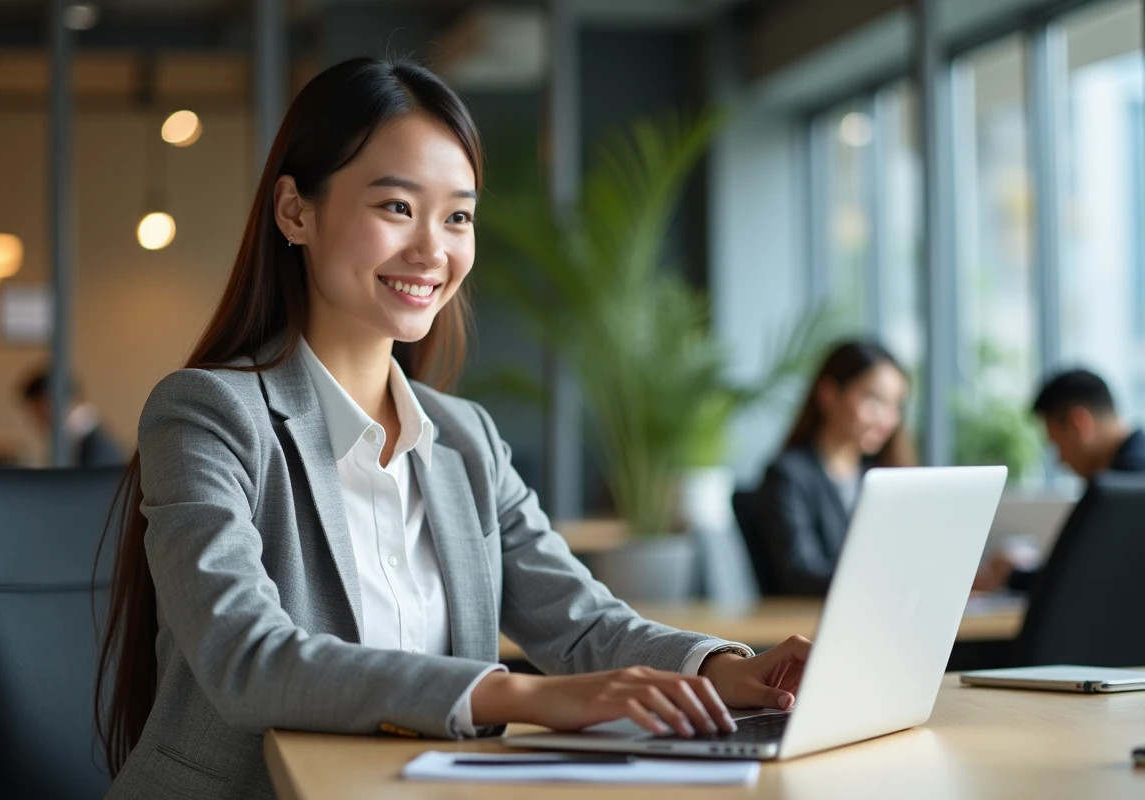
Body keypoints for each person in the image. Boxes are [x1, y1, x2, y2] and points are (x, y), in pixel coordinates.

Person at [96, 57, 810, 800]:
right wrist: (522, 695)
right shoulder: (208, 414)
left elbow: (582, 624)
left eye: (458, 216)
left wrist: (726, 672)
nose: (432, 250)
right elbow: (247, 659)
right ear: (295, 212)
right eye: (397, 208)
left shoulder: (464, 439)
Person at [751, 340, 914, 596]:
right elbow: (799, 574)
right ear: (829, 394)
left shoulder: (881, 476)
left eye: (895, 405)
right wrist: (887, 583)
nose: (888, 419)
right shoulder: (788, 475)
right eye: (874, 400)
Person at [972, 368, 1145, 592]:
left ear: (1078, 424)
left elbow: (1088, 577)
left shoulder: (1124, 486)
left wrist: (1011, 576)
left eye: (1057, 444)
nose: (1060, 460)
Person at [19, 367, 125, 467]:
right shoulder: (88, 436)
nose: (35, 421)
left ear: (47, 403)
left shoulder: (93, 446)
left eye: (36, 412)